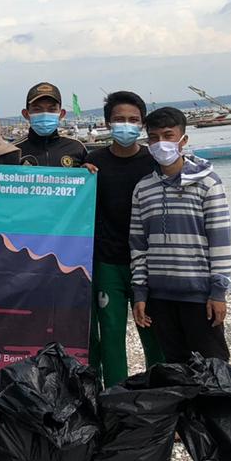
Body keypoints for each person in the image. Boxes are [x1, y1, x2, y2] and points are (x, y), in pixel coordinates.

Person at [130, 106, 231, 364]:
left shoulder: (208, 183)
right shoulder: (143, 189)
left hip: (198, 295)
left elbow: (219, 241)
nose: (161, 143)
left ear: (183, 139)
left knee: (213, 365)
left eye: (168, 135)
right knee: (175, 365)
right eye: (154, 137)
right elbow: (138, 246)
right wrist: (140, 292)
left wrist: (218, 293)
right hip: (160, 297)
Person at [85, 91, 165, 387]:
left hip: (149, 263)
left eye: (133, 120)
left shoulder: (153, 162)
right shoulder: (93, 163)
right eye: (119, 119)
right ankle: (114, 399)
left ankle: (160, 398)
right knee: (111, 334)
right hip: (108, 262)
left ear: (142, 125)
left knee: (154, 334)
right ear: (107, 123)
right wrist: (82, 178)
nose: (126, 125)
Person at [16, 81, 90, 168]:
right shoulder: (14, 151)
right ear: (26, 114)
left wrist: (88, 172)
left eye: (52, 109)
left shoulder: (77, 148)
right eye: (37, 109)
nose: (44, 114)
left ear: (61, 114)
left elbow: (89, 178)